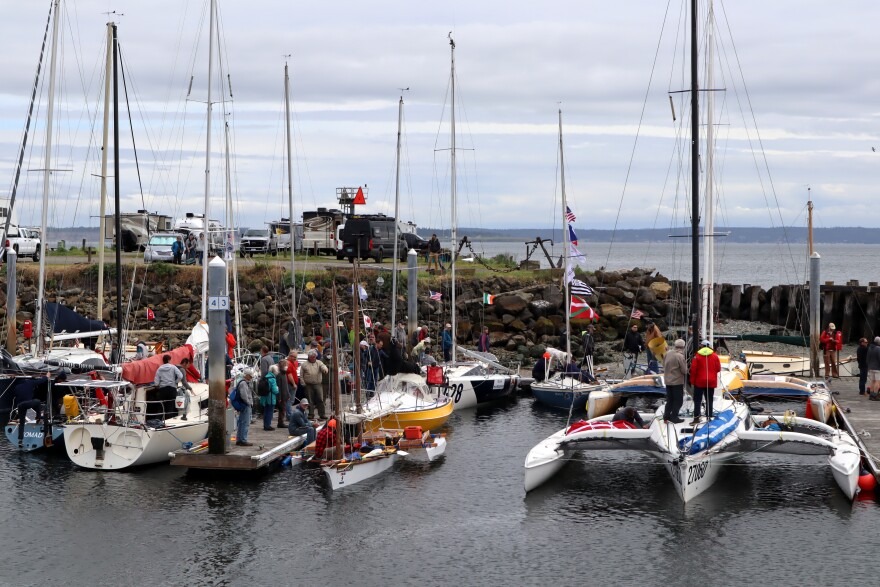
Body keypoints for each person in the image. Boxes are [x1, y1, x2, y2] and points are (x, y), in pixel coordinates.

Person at [689, 339, 721, 424]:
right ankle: (709, 417)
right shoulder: (715, 356)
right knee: (709, 400)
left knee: (697, 400)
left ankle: (696, 418)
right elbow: (718, 369)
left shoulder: (697, 356)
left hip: (699, 382)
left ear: (702, 346)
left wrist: (692, 381)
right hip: (711, 382)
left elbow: (693, 369)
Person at [663, 339, 687, 423]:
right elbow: (684, 370)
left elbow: (664, 364)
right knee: (678, 400)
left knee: (670, 399)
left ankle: (666, 416)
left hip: (667, 381)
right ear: (683, 347)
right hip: (677, 381)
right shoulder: (680, 356)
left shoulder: (667, 353)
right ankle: (674, 417)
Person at [300, 350, 328, 419]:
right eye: (311, 357)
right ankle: (311, 414)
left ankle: (322, 414)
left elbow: (323, 367)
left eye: (314, 357)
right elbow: (301, 375)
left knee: (320, 399)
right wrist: (303, 383)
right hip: (308, 384)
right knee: (310, 400)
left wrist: (325, 370)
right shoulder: (304, 364)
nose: (313, 358)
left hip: (318, 384)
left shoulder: (319, 363)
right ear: (309, 357)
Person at [154, 354, 183, 419]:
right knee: (170, 407)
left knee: (161, 407)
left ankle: (158, 421)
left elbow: (156, 382)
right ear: (169, 360)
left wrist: (157, 385)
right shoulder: (173, 367)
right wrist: (175, 382)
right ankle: (168, 422)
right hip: (172, 389)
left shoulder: (159, 369)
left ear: (163, 361)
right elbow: (180, 376)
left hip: (163, 390)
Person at [234, 369, 254, 446]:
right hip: (245, 405)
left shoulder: (241, 382)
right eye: (250, 376)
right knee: (245, 423)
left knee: (241, 422)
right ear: (246, 375)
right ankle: (243, 439)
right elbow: (244, 395)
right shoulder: (244, 383)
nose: (251, 378)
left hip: (243, 405)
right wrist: (249, 403)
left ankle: (239, 439)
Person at [275, 359, 290, 428]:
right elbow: (279, 387)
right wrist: (279, 397)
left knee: (283, 409)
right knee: (282, 409)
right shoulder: (279, 375)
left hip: (285, 395)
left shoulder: (284, 374)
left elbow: (286, 386)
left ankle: (281, 421)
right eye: (285, 365)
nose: (286, 366)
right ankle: (280, 422)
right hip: (281, 396)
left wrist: (288, 394)